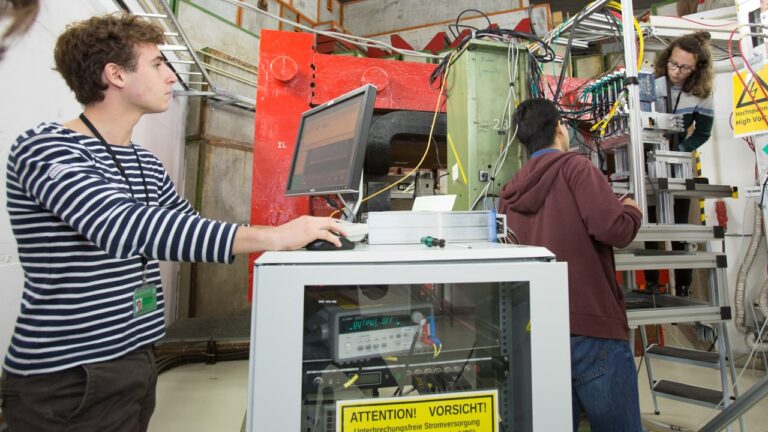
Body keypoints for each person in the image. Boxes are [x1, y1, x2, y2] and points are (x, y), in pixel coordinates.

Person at [0, 13, 345, 431]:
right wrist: (274, 236)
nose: (170, 76)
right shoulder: (47, 148)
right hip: (70, 376)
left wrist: (296, 240)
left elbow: (186, 230)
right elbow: (121, 226)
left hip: (136, 356)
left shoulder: (144, 162)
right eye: (157, 64)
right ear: (116, 75)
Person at [498, 98, 643, 432]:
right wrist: (631, 211)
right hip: (593, 331)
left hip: (539, 334)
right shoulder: (576, 169)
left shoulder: (509, 194)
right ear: (560, 128)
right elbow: (614, 229)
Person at [646, 31, 714, 297]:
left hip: (678, 164)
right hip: (649, 161)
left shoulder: (701, 94)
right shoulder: (652, 85)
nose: (676, 71)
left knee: (679, 226)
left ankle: (683, 287)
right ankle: (652, 284)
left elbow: (702, 133)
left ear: (697, 68)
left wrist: (680, 150)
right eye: (673, 64)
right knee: (650, 226)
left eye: (684, 67)